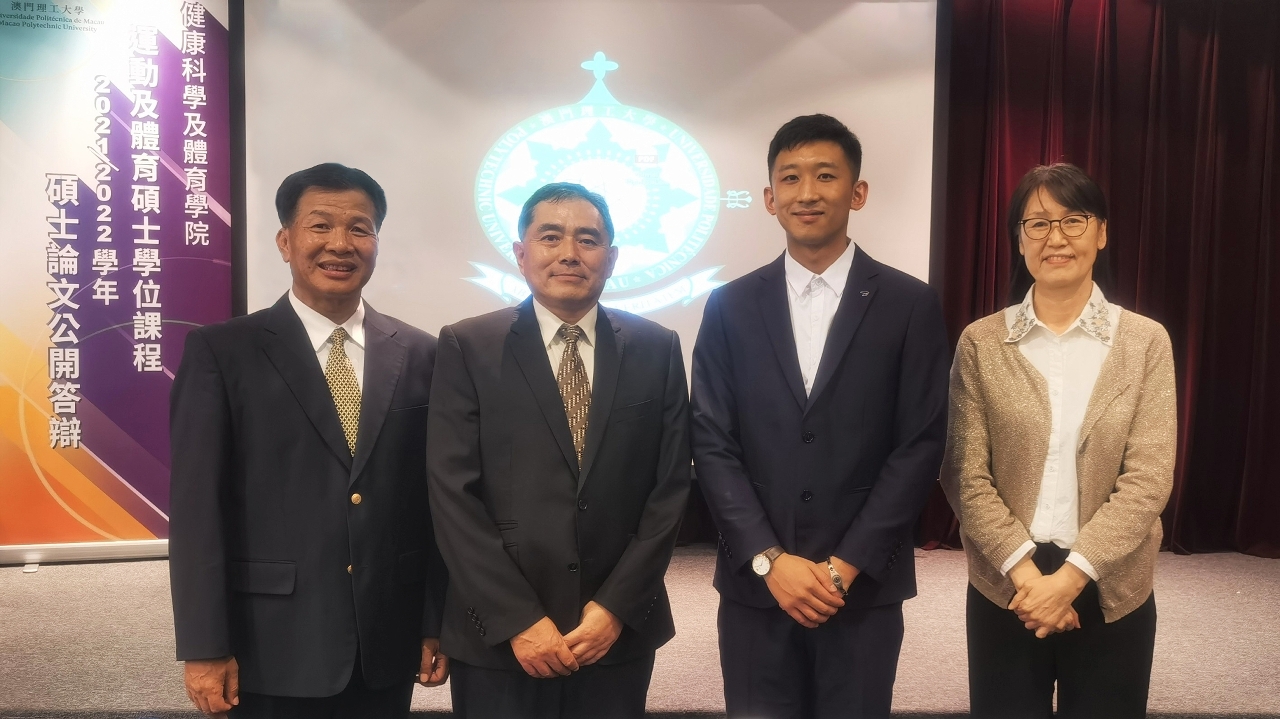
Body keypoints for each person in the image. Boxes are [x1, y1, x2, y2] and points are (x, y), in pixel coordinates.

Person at [690, 114, 951, 718]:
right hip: (758, 587)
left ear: (857, 192)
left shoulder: (910, 303)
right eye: (790, 178)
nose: (807, 192)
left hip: (862, 587)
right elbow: (711, 439)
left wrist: (845, 565)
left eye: (826, 176)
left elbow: (919, 444)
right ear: (769, 198)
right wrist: (768, 559)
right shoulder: (729, 305)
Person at [169, 163, 449, 718]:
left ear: (376, 242)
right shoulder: (223, 353)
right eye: (320, 226)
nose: (340, 244)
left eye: (360, 229)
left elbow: (436, 503)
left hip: (386, 638)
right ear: (285, 241)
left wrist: (433, 621)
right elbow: (197, 510)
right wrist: (204, 646)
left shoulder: (423, 353)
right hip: (269, 639)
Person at [426, 182, 691, 719]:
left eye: (588, 240)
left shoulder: (657, 347)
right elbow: (452, 494)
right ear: (521, 253)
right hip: (500, 638)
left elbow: (669, 490)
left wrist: (615, 608)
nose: (570, 253)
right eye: (550, 237)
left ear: (611, 258)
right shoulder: (467, 345)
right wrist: (517, 619)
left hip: (613, 633)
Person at [940, 162, 1176, 718]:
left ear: (1102, 232)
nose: (1056, 238)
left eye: (1074, 220)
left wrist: (1069, 580)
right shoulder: (981, 343)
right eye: (1038, 223)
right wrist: (1029, 578)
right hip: (1007, 585)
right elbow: (964, 474)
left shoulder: (1145, 342)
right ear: (1019, 239)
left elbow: (1148, 478)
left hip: (1110, 581)